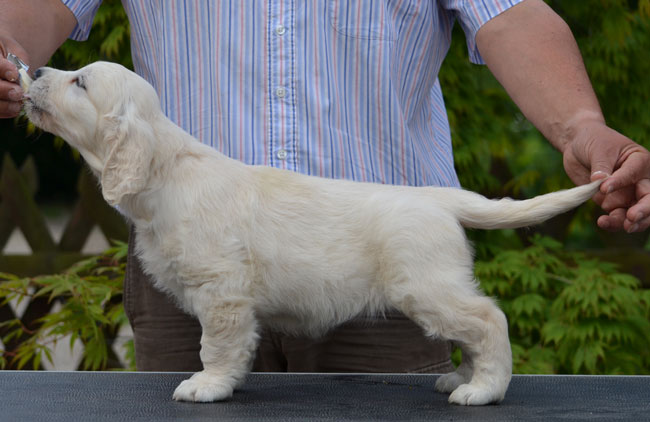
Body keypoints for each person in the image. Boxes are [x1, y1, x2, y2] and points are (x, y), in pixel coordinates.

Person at [1, 0, 648, 373]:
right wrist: (5, 48)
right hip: (192, 262)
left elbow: (511, 16)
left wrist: (582, 126)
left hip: (373, 265)